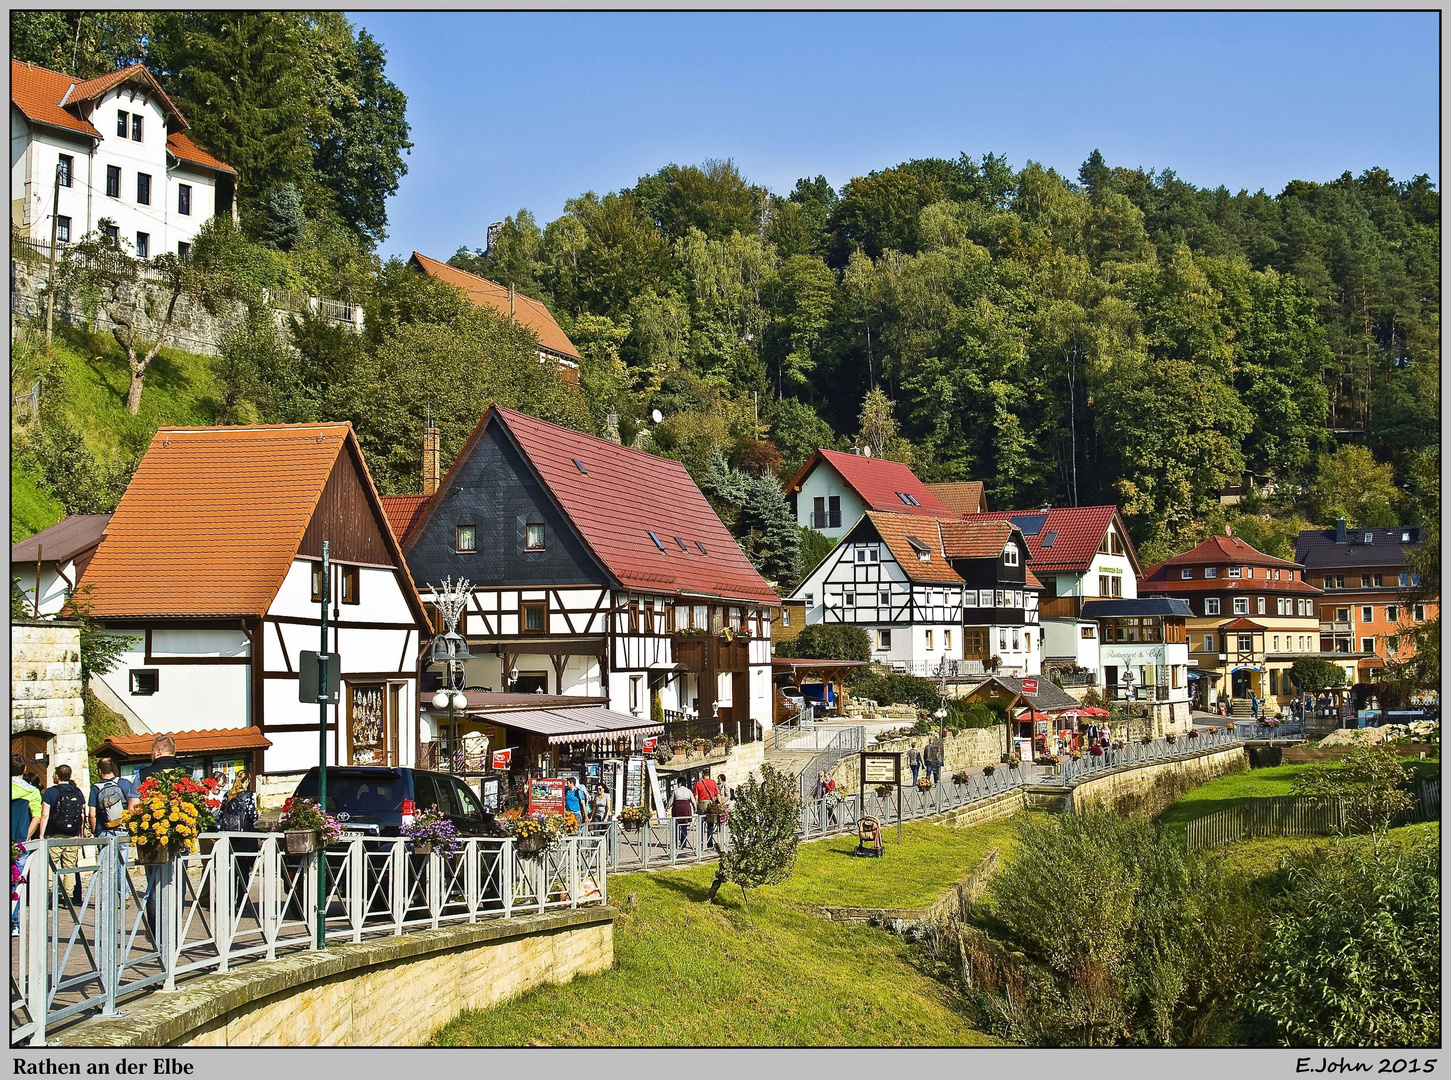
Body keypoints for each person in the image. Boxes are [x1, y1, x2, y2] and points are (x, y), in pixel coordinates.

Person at [137, 735, 181, 936]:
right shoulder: (188, 773)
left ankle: (156, 932)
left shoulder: (144, 774)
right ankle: (173, 930)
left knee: (154, 886)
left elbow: (133, 807)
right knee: (177, 884)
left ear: (157, 751)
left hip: (152, 839)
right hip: (181, 839)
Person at [87, 757, 140, 891]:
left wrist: (93, 830)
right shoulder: (125, 784)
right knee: (122, 863)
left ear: (99, 771)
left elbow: (92, 814)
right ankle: (124, 894)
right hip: (121, 829)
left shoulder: (96, 788)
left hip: (104, 830)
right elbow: (133, 807)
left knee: (107, 865)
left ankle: (109, 896)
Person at [39, 764, 87, 905]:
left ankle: (50, 895)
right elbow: (82, 815)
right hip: (72, 835)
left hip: (54, 835)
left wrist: (41, 835)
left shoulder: (50, 792)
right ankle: (68, 898)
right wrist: (80, 833)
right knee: (69, 867)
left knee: (51, 866)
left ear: (57, 776)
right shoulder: (77, 792)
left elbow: (45, 815)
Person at [215, 771, 260, 920]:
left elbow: (220, 815)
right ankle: (241, 902)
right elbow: (253, 816)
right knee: (244, 870)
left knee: (233, 869)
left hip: (231, 836)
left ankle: (228, 901)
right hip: (246, 835)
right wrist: (258, 814)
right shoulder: (248, 796)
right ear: (246, 781)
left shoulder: (228, 795)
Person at [11, 759, 42, 935]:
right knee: (15, 882)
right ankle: (14, 922)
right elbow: (36, 817)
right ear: (24, 769)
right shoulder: (32, 791)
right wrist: (25, 837)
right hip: (18, 840)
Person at [693, 772, 721, 849]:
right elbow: (718, 795)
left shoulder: (698, 783)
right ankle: (710, 843)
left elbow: (696, 796)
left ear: (702, 775)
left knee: (700, 824)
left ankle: (700, 844)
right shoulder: (713, 783)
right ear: (709, 775)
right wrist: (721, 805)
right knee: (710, 824)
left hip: (702, 804)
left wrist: (695, 807)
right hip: (710, 804)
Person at [670, 778, 696, 849]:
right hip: (685, 810)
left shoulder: (676, 791)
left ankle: (675, 842)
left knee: (676, 827)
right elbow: (693, 801)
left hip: (677, 810)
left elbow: (671, 801)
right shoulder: (688, 791)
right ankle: (683, 844)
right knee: (684, 827)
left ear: (680, 783)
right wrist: (695, 809)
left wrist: (666, 808)